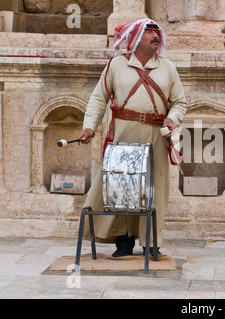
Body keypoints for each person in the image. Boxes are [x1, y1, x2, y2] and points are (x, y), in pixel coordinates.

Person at [77, 19, 187, 257]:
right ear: (137, 37)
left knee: (154, 188)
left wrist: (173, 119)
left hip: (157, 137)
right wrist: (89, 127)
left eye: (156, 32)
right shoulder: (116, 65)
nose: (155, 35)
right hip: (124, 134)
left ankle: (150, 243)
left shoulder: (168, 68)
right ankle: (123, 242)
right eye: (149, 32)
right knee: (122, 185)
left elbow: (179, 102)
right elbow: (98, 99)